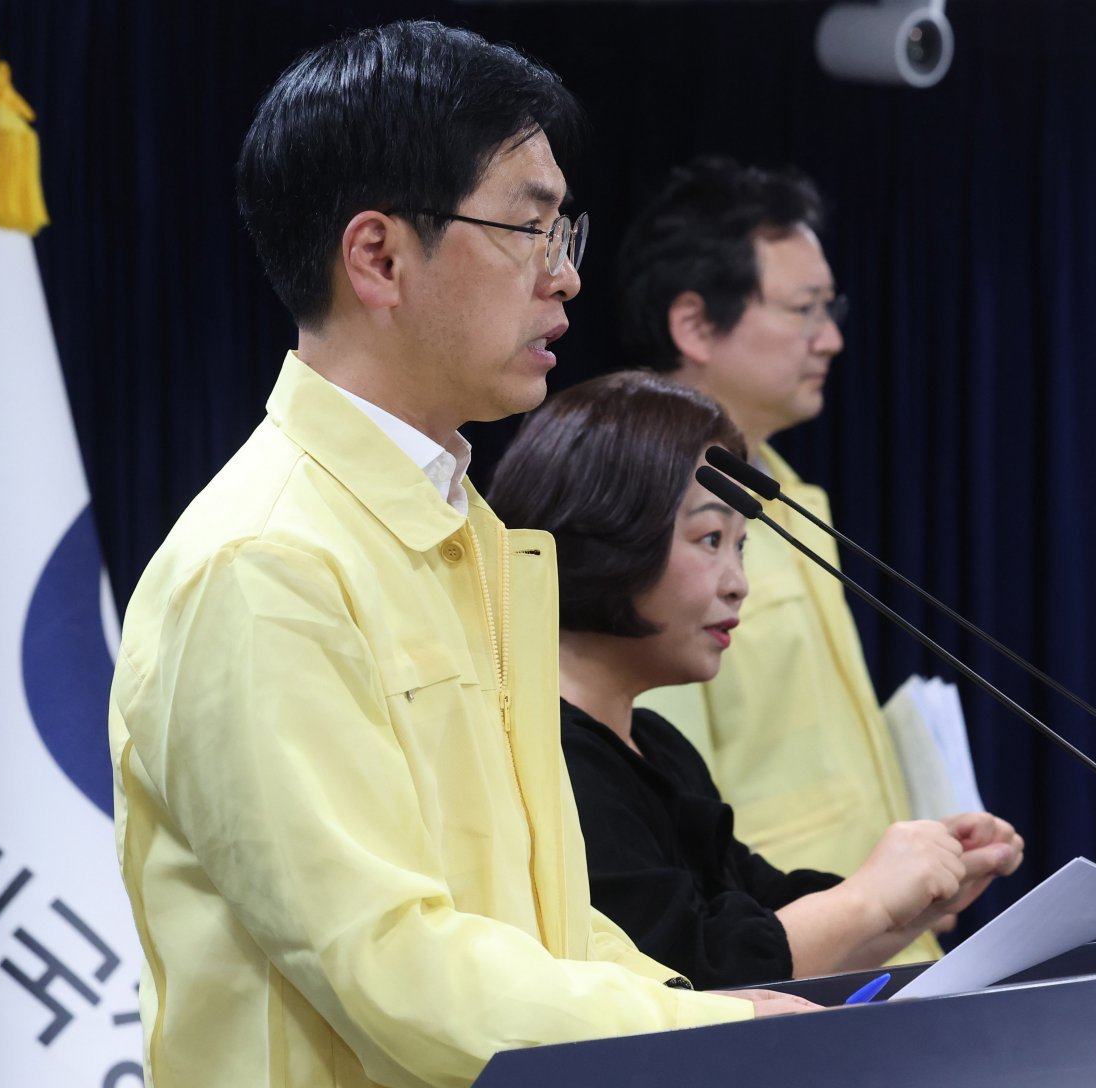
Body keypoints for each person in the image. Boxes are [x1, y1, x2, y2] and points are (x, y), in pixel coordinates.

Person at [108, 26, 811, 1088]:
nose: (564, 277)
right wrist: (698, 1029)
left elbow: (541, 911)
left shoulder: (467, 529)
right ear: (379, 258)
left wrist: (701, 1009)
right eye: (529, 229)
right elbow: (390, 958)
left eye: (564, 232)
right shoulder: (265, 562)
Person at [488, 371, 1022, 989]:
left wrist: (923, 891)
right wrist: (870, 898)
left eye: (740, 547)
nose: (738, 583)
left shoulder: (656, 745)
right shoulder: (548, 757)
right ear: (607, 531)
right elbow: (691, 977)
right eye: (710, 539)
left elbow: (763, 917)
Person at [618, 156, 1010, 963]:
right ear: (695, 325)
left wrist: (921, 860)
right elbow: (661, 798)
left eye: (831, 309)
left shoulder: (787, 491)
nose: (830, 338)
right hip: (772, 963)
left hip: (872, 939)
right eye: (804, 310)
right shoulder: (641, 511)